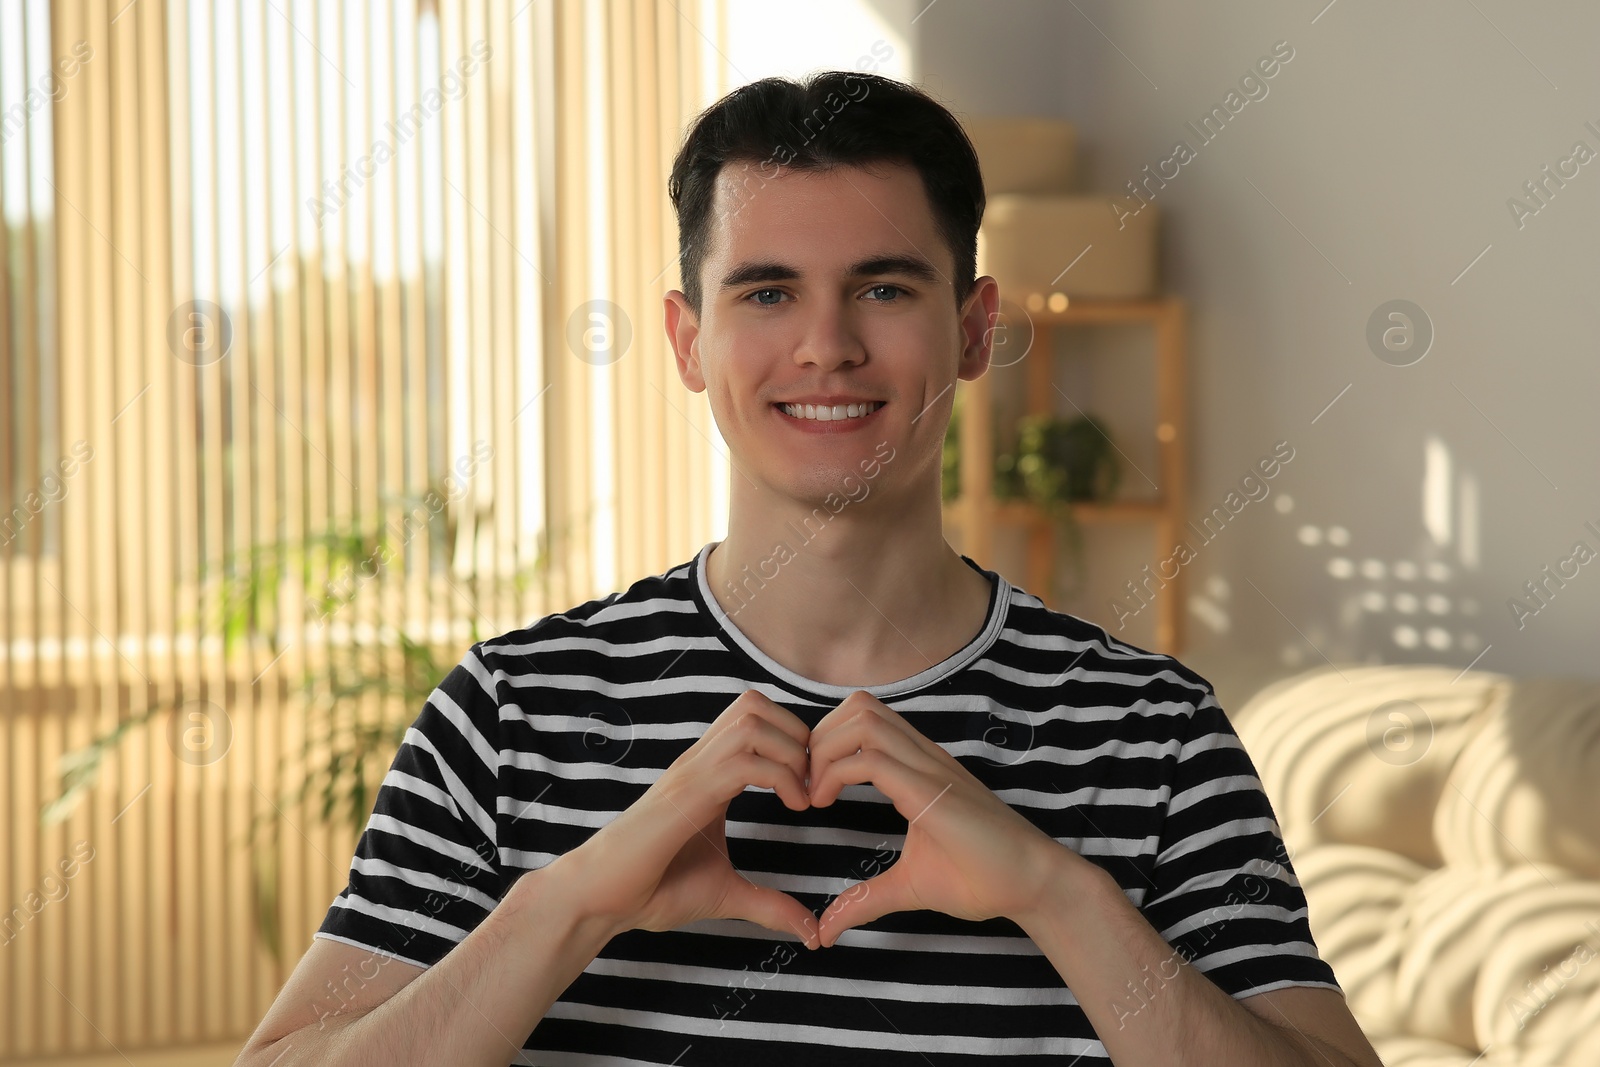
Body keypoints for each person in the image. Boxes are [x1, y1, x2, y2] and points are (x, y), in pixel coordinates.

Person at [235, 71, 1383, 1067]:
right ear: (689, 341)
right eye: (767, 290)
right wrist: (568, 902)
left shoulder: (1155, 731)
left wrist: (1056, 891)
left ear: (975, 328)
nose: (825, 343)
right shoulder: (509, 711)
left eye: (884, 288)